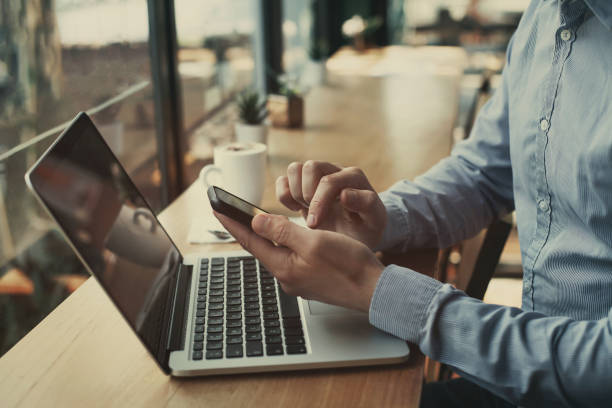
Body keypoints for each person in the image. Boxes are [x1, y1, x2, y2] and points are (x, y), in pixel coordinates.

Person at [215, 1, 612, 406]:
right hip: (522, 369)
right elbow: (485, 173)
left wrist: (375, 291)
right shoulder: (545, 16)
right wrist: (380, 219)